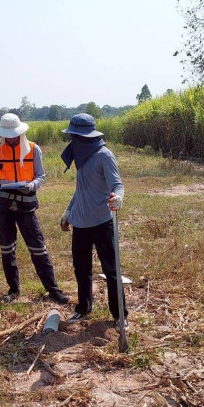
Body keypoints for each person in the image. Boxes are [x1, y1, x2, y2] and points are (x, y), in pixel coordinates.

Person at [0, 113, 70, 305]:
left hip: (26, 204)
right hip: (3, 205)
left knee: (38, 248)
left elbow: (40, 175)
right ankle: (13, 290)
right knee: (7, 249)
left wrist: (31, 186)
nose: (11, 138)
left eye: (13, 134)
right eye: (7, 135)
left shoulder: (33, 148)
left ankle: (53, 290)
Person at [58, 113, 127, 329]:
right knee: (81, 269)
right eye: (72, 136)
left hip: (101, 221)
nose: (73, 140)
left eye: (76, 136)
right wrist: (68, 211)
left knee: (111, 270)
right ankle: (83, 307)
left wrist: (118, 198)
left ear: (87, 137)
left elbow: (117, 185)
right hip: (80, 222)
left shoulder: (104, 155)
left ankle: (119, 315)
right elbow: (81, 189)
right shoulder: (80, 156)